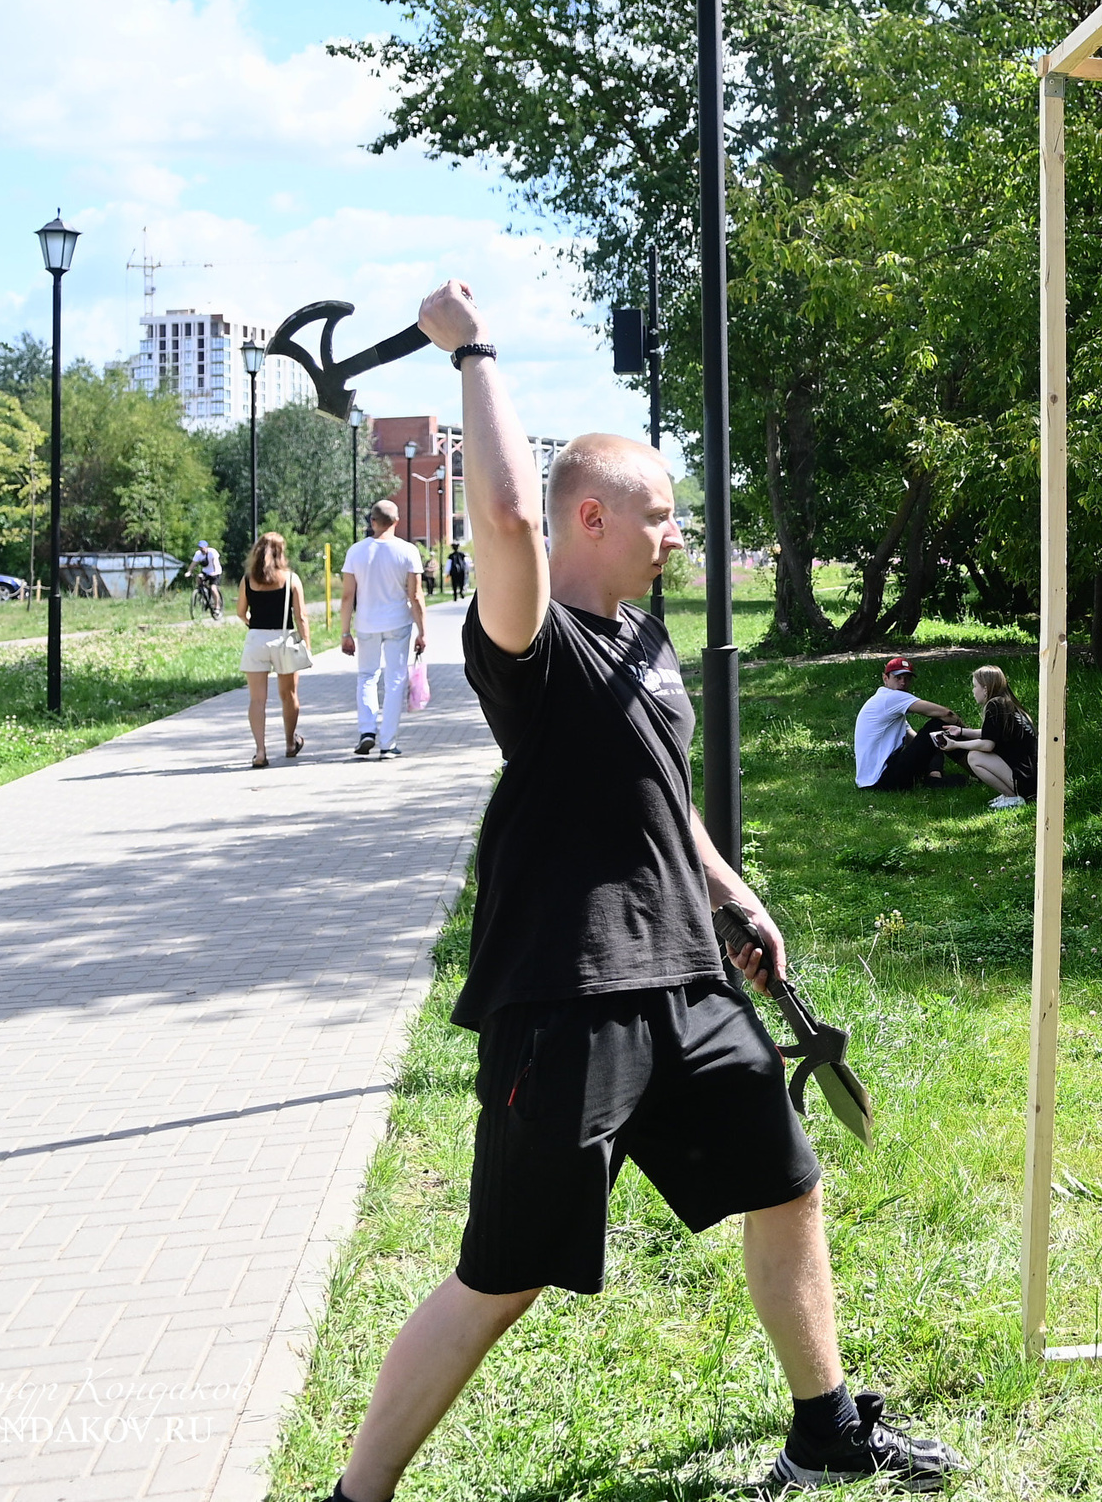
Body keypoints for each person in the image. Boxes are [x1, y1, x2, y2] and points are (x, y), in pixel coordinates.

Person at [313, 280, 964, 1502]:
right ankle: (354, 1497)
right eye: (660, 518)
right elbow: (503, 517)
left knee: (785, 1184)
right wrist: (476, 351)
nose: (679, 538)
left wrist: (732, 893)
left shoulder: (642, 643)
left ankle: (824, 1426)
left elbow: (659, 797)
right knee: (502, 1273)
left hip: (685, 979)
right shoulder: (535, 641)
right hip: (567, 998)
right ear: (595, 517)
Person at [342, 500, 427, 759]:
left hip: (366, 623)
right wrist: (423, 631)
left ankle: (367, 731)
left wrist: (345, 633)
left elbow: (347, 597)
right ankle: (388, 743)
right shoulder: (408, 551)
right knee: (395, 681)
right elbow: (415, 595)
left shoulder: (356, 551)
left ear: (372, 522)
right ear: (397, 521)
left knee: (367, 676)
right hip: (398, 623)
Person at [236, 532, 311, 768]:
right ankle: (290, 743)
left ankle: (260, 752)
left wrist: (253, 623)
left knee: (257, 700)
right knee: (288, 695)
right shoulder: (291, 579)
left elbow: (240, 612)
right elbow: (301, 616)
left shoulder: (248, 579)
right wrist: (306, 644)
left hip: (256, 639)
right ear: (282, 552)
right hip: (284, 639)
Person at [851, 657, 964, 791]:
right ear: (885, 678)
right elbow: (946, 714)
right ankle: (976, 768)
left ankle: (934, 777)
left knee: (934, 738)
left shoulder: (883, 702)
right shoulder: (891, 697)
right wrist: (966, 732)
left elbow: (915, 740)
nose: (903, 682)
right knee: (938, 725)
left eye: (907, 678)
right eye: (898, 678)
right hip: (883, 780)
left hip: (872, 782)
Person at [934, 665, 1035, 809]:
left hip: (1023, 781)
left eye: (975, 686)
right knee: (976, 754)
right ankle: (1011, 795)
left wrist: (955, 745)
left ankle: (1013, 797)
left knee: (974, 756)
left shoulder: (995, 705)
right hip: (1030, 779)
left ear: (986, 689)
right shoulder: (1007, 704)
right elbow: (991, 733)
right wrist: (961, 732)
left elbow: (987, 744)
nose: (973, 690)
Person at [192, 539, 223, 621]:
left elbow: (215, 563)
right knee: (198, 577)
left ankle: (217, 606)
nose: (202, 550)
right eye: (200, 548)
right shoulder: (198, 554)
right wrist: (188, 571)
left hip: (215, 572)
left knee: (213, 588)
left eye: (203, 548)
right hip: (206, 572)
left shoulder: (213, 552)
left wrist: (215, 572)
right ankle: (202, 593)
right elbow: (193, 563)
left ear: (206, 547)